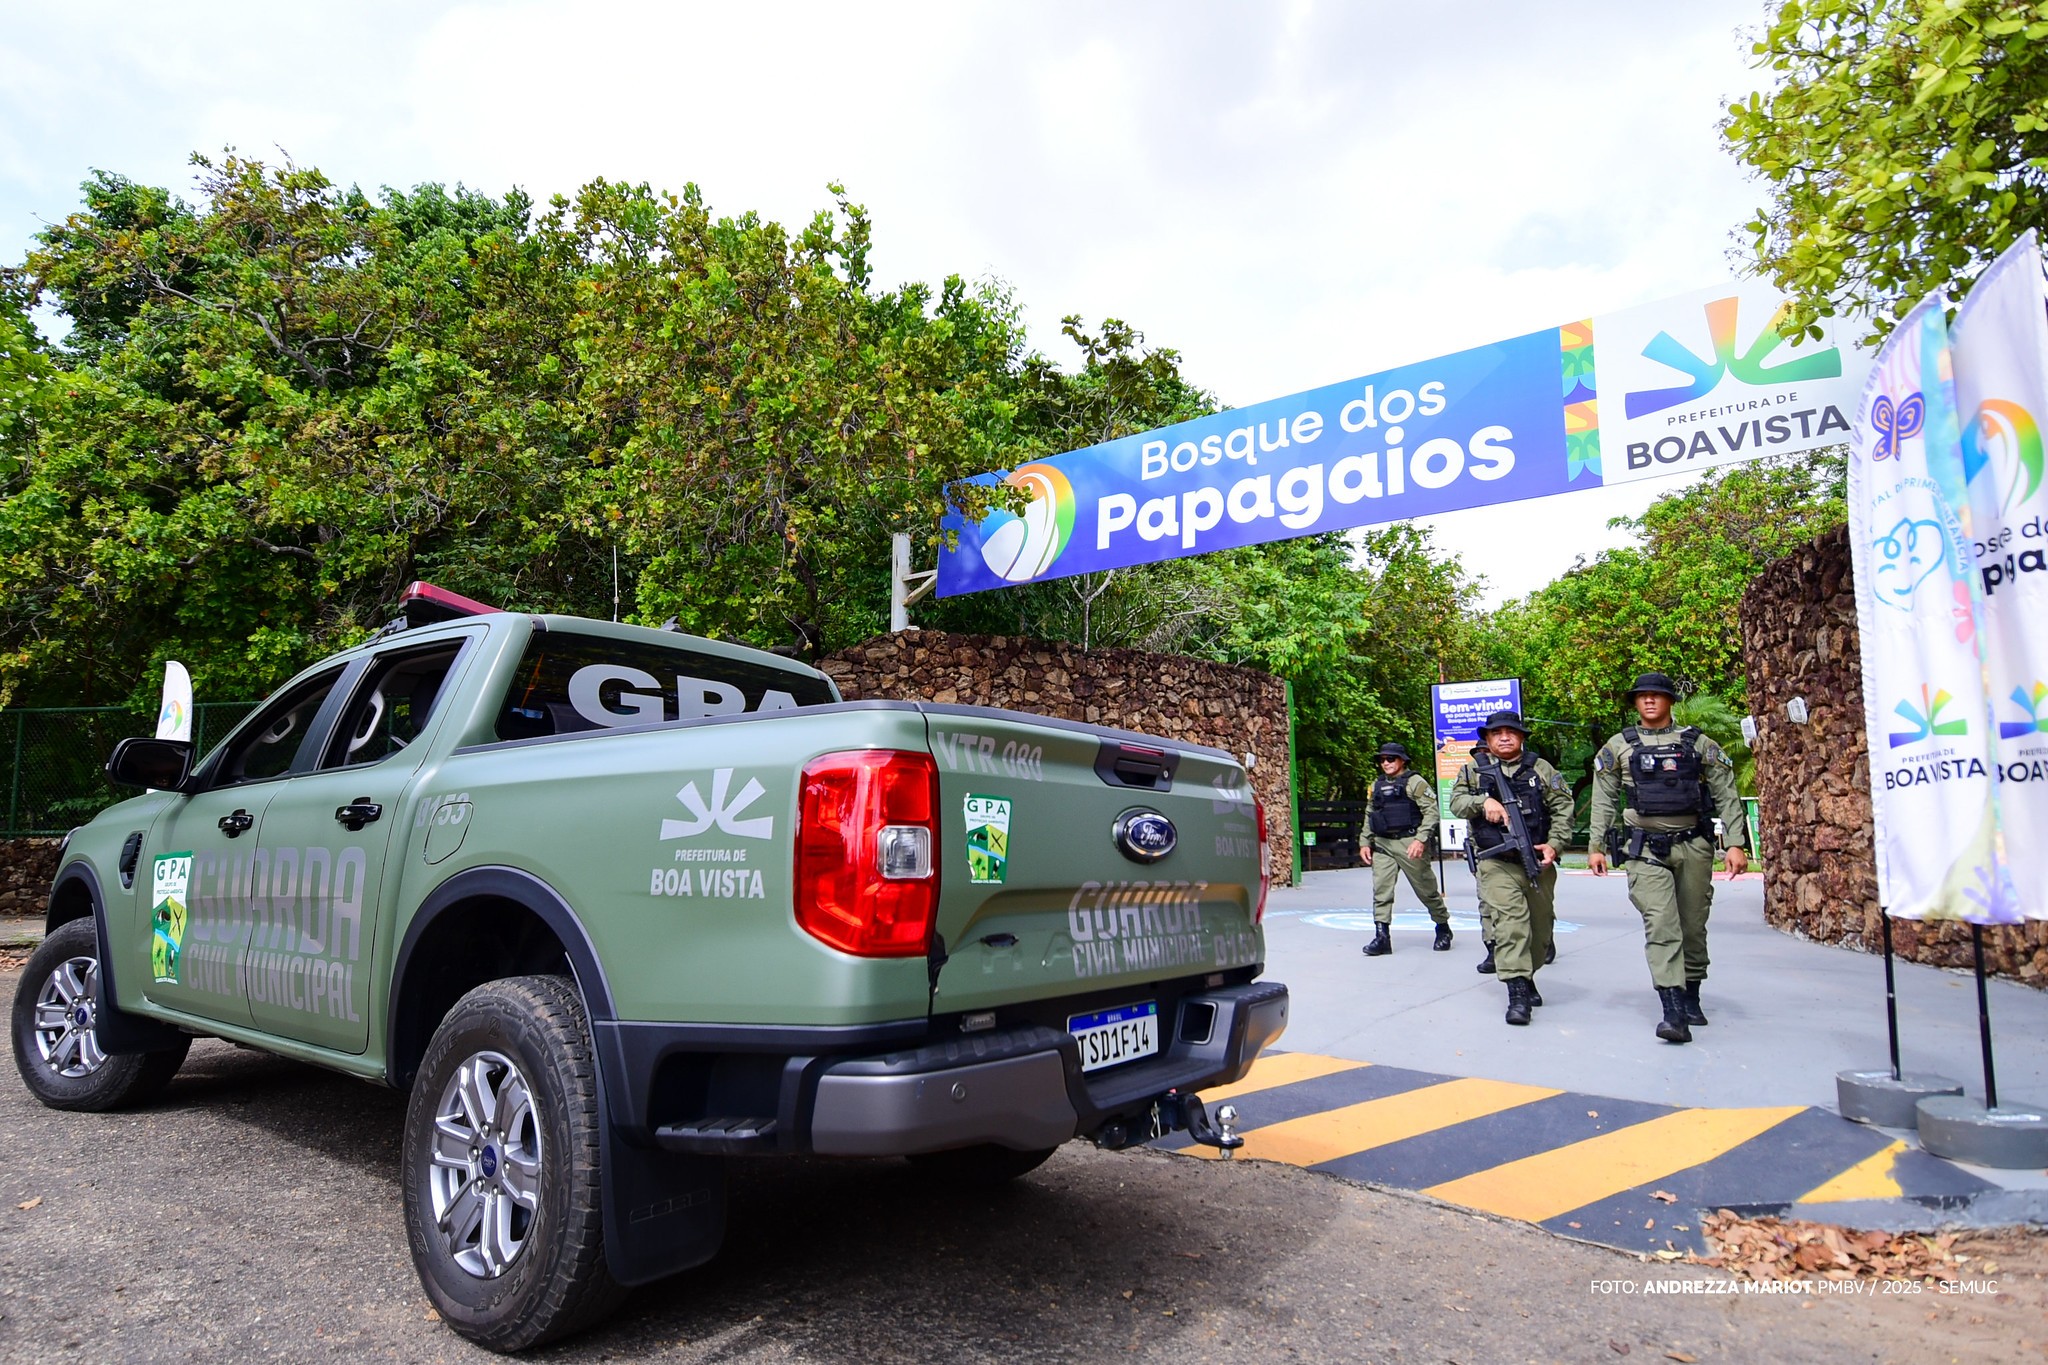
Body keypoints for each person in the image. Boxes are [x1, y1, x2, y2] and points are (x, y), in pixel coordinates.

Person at [1587, 672, 1751, 1045]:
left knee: (1692, 924)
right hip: (1645, 848)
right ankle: (1672, 1011)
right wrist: (1596, 845)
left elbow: (1726, 791)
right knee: (1661, 924)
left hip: (1693, 844)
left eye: (1656, 696)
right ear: (1635, 703)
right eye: (1641, 696)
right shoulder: (1619, 746)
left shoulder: (1698, 744)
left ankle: (1692, 994)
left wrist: (1736, 844)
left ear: (1669, 701)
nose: (1648, 701)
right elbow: (1604, 799)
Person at [1449, 711, 1574, 1025]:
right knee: (1510, 924)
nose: (1504, 737)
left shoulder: (1541, 769)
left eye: (1511, 732)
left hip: (1538, 862)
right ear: (1488, 740)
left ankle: (1528, 974)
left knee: (1540, 930)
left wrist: (1555, 844)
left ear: (1521, 737)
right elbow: (1456, 803)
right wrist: (1483, 802)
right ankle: (1517, 993)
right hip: (1496, 862)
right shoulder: (1472, 771)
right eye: (1497, 733)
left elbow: (1563, 809)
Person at [1360, 742, 1451, 956]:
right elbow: (1370, 813)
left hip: (1409, 842)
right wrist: (1365, 841)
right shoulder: (1378, 784)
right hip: (1383, 843)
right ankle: (1382, 936)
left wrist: (1420, 839)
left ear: (1402, 761)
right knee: (1381, 890)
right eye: (1382, 759)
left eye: (1390, 759)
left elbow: (1431, 812)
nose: (1385, 763)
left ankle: (1443, 927)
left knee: (1426, 889)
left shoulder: (1415, 782)